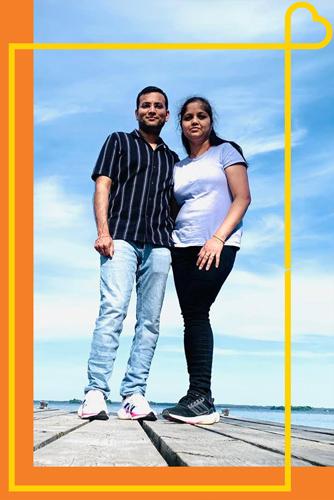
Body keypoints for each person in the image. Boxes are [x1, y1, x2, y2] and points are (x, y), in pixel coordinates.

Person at [78, 86, 178, 422]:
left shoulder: (172, 159)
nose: (152, 110)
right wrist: (103, 231)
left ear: (166, 114)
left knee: (149, 323)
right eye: (145, 105)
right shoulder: (118, 141)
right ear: (137, 112)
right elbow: (102, 185)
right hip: (120, 239)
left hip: (160, 245)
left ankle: (134, 395)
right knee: (113, 311)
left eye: (158, 106)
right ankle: (95, 392)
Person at [162, 96, 251, 425]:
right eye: (188, 117)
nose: (194, 121)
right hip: (181, 246)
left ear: (211, 121)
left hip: (216, 244)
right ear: (181, 124)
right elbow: (174, 207)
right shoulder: (179, 166)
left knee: (198, 312)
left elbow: (243, 198)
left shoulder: (226, 151)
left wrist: (218, 238)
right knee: (192, 317)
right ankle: (198, 395)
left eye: (201, 116)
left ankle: (202, 397)